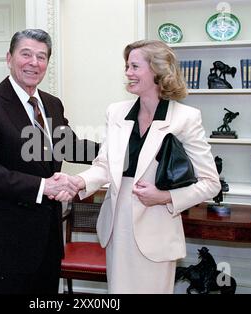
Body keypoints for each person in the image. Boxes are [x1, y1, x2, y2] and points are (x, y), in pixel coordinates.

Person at [57, 40, 221, 293]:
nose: (128, 73)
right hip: (117, 227)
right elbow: (104, 165)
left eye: (134, 66)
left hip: (157, 227)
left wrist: (163, 196)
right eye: (127, 66)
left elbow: (211, 183)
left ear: (157, 71)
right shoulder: (116, 112)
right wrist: (79, 181)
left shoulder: (186, 118)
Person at [0, 29, 99, 294]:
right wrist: (42, 187)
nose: (33, 62)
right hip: (8, 241)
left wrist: (120, 150)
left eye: (41, 56)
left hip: (48, 238)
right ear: (9, 58)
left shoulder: (51, 104)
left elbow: (68, 147)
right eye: (26, 54)